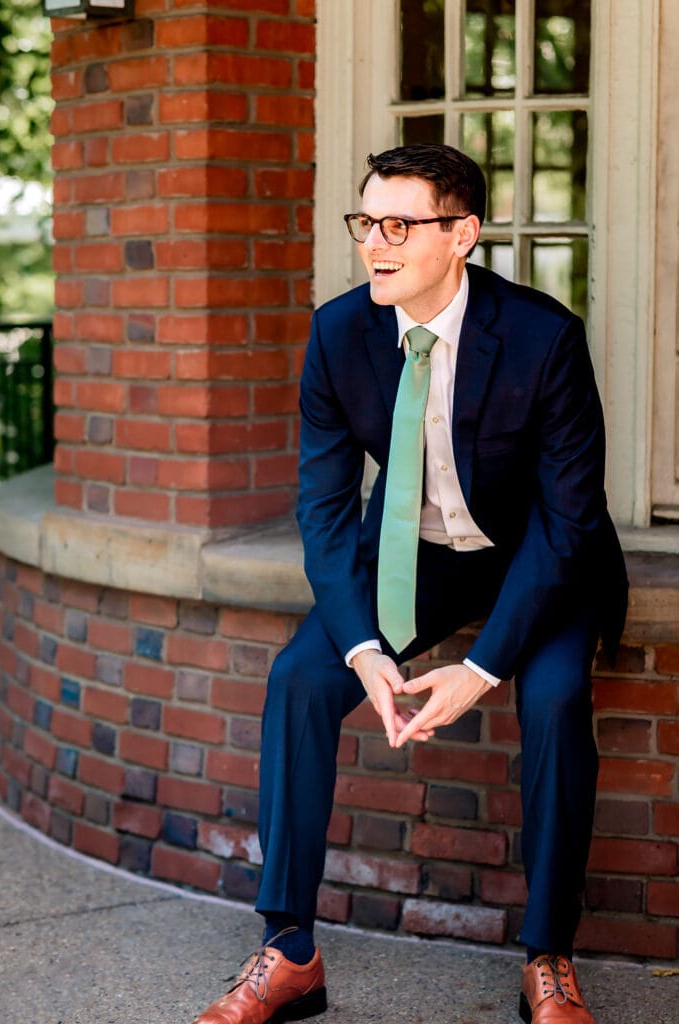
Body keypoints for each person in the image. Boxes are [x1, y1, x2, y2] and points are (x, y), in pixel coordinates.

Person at [191, 143, 628, 1024]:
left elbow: (568, 520)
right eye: (366, 224)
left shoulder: (543, 338)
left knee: (547, 704)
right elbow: (322, 505)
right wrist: (358, 645)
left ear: (461, 233)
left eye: (401, 224)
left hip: (542, 563)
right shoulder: (338, 331)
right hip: (416, 560)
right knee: (299, 679)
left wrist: (481, 668)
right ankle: (288, 952)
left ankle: (547, 958)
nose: (376, 244)